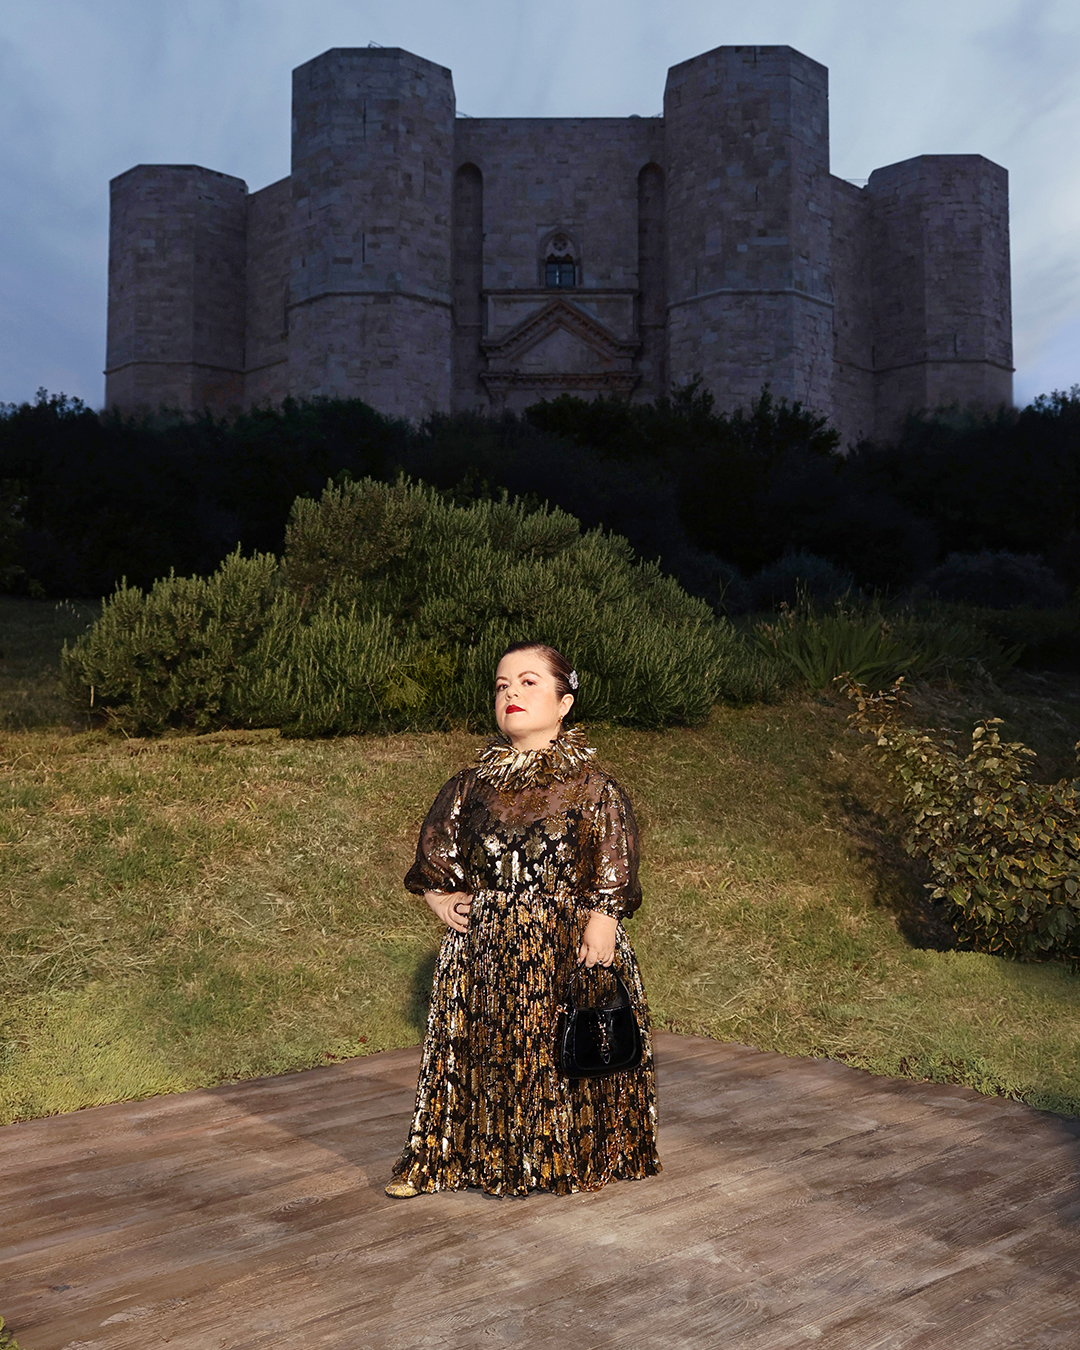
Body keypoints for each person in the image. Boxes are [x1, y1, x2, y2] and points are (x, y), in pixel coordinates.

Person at [386, 641, 661, 1198]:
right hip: (483, 949)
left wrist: (603, 918)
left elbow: (613, 857)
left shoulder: (593, 786)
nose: (510, 692)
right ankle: (453, 1159)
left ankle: (566, 1157)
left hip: (565, 944)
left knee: (560, 1051)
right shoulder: (469, 785)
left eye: (528, 682)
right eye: (501, 684)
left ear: (565, 702)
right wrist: (441, 901)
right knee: (477, 1054)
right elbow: (437, 858)